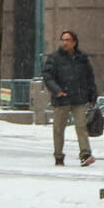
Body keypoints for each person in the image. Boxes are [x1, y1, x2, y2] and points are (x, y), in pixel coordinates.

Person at [41, 29, 98, 167]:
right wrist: (57, 91)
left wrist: (92, 95)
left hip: (79, 99)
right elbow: (48, 76)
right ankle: (59, 156)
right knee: (59, 129)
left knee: (81, 127)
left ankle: (85, 154)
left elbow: (89, 78)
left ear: (74, 42)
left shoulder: (82, 59)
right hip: (62, 99)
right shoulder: (55, 58)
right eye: (63, 40)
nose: (65, 43)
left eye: (68, 40)